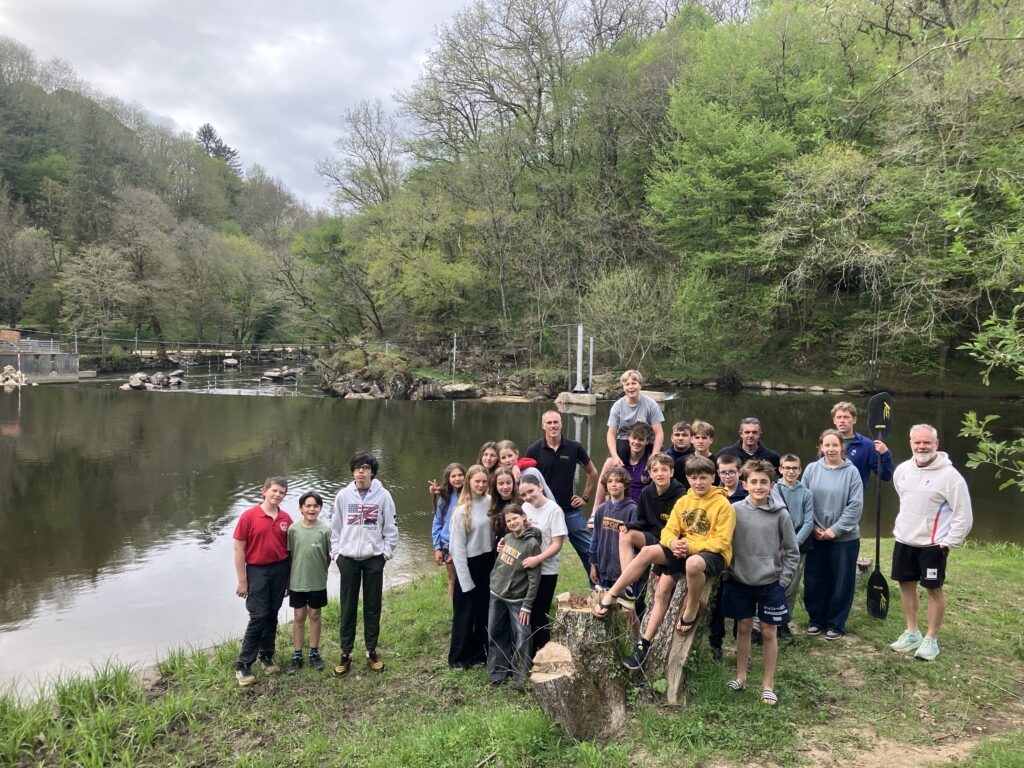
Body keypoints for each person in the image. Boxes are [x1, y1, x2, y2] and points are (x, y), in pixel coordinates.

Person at [593, 455, 734, 671]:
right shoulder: (684, 501)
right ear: (688, 479)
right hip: (682, 549)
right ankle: (641, 638)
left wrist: (689, 547)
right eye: (694, 478)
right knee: (656, 573)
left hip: (711, 555)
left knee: (693, 564)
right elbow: (667, 530)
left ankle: (692, 607)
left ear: (713, 478)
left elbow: (722, 541)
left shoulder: (723, 505)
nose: (699, 482)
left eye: (704, 478)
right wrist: (673, 542)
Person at [889, 424, 973, 661]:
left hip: (934, 545)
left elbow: (963, 514)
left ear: (936, 444)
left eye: (927, 442)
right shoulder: (903, 470)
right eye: (917, 442)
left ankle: (931, 638)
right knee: (906, 585)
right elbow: (905, 500)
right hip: (905, 540)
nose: (922, 447)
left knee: (933, 589)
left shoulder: (950, 477)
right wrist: (901, 526)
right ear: (911, 443)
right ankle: (912, 631)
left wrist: (949, 542)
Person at [723, 460, 800, 707]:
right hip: (740, 580)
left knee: (768, 631)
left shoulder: (781, 513)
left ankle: (768, 685)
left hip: (770, 583)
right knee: (743, 628)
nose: (758, 486)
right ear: (744, 484)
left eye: (763, 482)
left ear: (772, 484)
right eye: (753, 482)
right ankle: (741, 676)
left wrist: (783, 579)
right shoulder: (734, 510)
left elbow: (792, 551)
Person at [330, 452, 399, 675]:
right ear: (352, 471)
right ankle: (345, 653)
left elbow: (391, 528)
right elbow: (335, 528)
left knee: (372, 607)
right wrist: (336, 555)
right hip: (348, 559)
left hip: (373, 560)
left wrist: (385, 554)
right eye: (358, 468)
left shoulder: (383, 496)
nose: (361, 471)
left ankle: (371, 651)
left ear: (372, 471)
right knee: (348, 607)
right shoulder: (343, 496)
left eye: (366, 468)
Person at [801, 429, 863, 640]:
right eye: (826, 445)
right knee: (815, 579)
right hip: (816, 535)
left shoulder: (851, 472)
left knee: (841, 581)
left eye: (835, 445)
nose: (830, 449)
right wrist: (813, 527)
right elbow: (804, 500)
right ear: (821, 447)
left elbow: (855, 506)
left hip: (844, 538)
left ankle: (835, 623)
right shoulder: (811, 469)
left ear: (842, 447)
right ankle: (816, 619)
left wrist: (835, 530)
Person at [232, 476, 293, 686]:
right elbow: (238, 548)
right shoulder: (249, 516)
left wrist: (289, 580)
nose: (277, 495)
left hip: (280, 570)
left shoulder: (286, 519)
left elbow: (290, 550)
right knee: (258, 616)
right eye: (274, 491)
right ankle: (243, 664)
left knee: (272, 614)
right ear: (264, 491)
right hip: (257, 570)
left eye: (282, 492)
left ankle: (267, 655)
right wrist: (242, 580)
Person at [525, 411, 598, 576]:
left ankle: (599, 591)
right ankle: (536, 596)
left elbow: (592, 473)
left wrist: (584, 497)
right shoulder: (534, 450)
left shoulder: (574, 447)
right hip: (543, 512)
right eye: (549, 423)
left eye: (556, 422)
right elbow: (527, 481)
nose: (553, 426)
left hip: (569, 510)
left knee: (589, 552)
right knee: (536, 552)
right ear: (543, 425)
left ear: (561, 424)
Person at [487, 504, 542, 689]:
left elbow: (534, 579)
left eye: (515, 518)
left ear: (524, 517)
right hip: (496, 593)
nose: (512, 522)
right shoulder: (508, 538)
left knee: (523, 635)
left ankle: (520, 677)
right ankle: (497, 673)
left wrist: (527, 605)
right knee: (495, 632)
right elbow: (503, 564)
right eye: (508, 520)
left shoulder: (532, 545)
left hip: (517, 600)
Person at [448, 464, 496, 669]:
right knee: (465, 613)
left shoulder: (490, 502)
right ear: (469, 482)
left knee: (483, 611)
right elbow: (456, 549)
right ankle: (459, 657)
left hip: (488, 561)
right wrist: (465, 580)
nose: (481, 485)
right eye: (477, 481)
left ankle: (479, 654)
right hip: (469, 563)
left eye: (484, 481)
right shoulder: (461, 510)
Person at [518, 469, 568, 652]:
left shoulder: (554, 510)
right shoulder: (524, 508)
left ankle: (544, 652)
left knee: (540, 614)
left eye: (531, 491)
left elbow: (557, 544)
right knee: (526, 612)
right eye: (523, 494)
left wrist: (537, 559)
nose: (528, 497)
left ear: (540, 486)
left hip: (546, 570)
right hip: (527, 569)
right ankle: (528, 653)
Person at [286, 491, 332, 674]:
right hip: (298, 581)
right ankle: (297, 655)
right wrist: (288, 580)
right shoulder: (293, 530)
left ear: (320, 508)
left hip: (317, 582)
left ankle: (314, 652)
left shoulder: (325, 530)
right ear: (301, 509)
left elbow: (328, 557)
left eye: (315, 506)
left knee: (315, 615)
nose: (311, 509)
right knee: (298, 617)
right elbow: (290, 556)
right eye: (308, 505)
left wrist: (321, 572)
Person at [775, 454, 815, 642]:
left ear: (800, 470)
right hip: (774, 546)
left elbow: (808, 521)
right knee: (771, 584)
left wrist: (793, 544)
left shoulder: (806, 493)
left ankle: (784, 623)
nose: (791, 471)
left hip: (797, 546)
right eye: (787, 468)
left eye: (795, 468)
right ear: (780, 469)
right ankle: (764, 623)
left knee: (791, 586)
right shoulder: (773, 489)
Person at [588, 466, 637, 589]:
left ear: (625, 485)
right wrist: (593, 565)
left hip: (624, 571)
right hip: (604, 570)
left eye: (618, 481)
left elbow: (636, 546)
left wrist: (633, 570)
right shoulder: (601, 510)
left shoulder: (632, 510)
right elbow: (595, 539)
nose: (613, 485)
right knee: (604, 604)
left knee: (624, 606)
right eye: (610, 481)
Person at [605, 370, 665, 465]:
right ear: (623, 387)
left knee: (658, 463)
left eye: (634, 383)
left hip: (649, 439)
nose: (630, 387)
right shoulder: (617, 406)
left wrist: (654, 455)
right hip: (626, 438)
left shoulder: (651, 404)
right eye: (627, 384)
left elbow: (659, 433)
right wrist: (614, 456)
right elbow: (611, 434)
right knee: (614, 462)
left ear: (640, 385)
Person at [829, 401, 894, 487]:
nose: (842, 421)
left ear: (854, 420)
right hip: (828, 497)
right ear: (834, 420)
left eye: (846, 417)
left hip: (854, 498)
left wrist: (886, 454)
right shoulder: (828, 443)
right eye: (839, 417)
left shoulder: (867, 445)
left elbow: (885, 476)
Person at [430, 462, 466, 601]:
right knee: (452, 579)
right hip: (447, 543)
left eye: (460, 475)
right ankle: (453, 608)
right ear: (448, 479)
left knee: (466, 578)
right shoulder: (443, 498)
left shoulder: (471, 495)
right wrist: (437, 547)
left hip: (466, 543)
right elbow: (437, 523)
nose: (457, 478)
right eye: (453, 476)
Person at [487, 466, 519, 548]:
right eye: (501, 484)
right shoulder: (491, 503)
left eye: (508, 483)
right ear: (495, 485)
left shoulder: (522, 502)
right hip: (499, 548)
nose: (505, 487)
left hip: (518, 548)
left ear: (513, 483)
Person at [665, 421, 695, 486]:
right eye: (677, 435)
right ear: (672, 438)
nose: (680, 438)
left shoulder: (698, 456)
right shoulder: (664, 457)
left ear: (691, 438)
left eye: (684, 435)